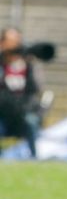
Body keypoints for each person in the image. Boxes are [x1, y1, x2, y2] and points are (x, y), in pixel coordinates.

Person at [0, 27, 43, 159]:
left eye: (17, 41)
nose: (15, 46)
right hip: (2, 113)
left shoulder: (28, 65)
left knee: (31, 121)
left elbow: (36, 89)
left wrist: (28, 62)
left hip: (23, 113)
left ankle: (34, 157)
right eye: (11, 42)